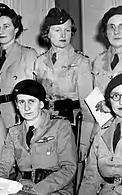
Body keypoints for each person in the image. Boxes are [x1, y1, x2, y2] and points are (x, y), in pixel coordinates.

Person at [0, 80, 77, 195]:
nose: (26, 107)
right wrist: (0, 185)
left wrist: (38, 190)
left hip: (55, 192)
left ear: (41, 104)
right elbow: (2, 164)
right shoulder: (14, 132)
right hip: (22, 189)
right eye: (21, 102)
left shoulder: (60, 126)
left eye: (31, 101)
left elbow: (68, 168)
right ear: (16, 105)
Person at [34, 8, 95, 177]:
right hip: (46, 123)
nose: (63, 34)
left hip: (71, 123)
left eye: (68, 30)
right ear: (48, 33)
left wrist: (83, 142)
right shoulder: (39, 62)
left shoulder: (80, 62)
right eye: (57, 30)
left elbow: (88, 108)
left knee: (68, 173)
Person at [0, 3, 37, 128]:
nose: (1, 31)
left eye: (6, 26)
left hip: (17, 118)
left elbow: (34, 94)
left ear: (16, 29)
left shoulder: (28, 55)